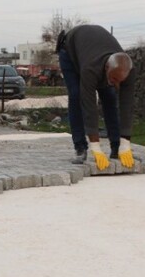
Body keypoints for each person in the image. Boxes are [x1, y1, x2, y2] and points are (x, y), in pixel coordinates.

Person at [56, 24, 136, 170]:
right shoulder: (91, 69)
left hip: (92, 50)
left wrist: (126, 143)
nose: (117, 85)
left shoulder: (128, 69)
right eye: (113, 80)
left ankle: (116, 147)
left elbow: (127, 105)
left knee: (110, 97)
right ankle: (81, 147)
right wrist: (96, 148)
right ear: (107, 69)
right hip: (70, 51)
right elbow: (89, 105)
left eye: (120, 81)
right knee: (76, 95)